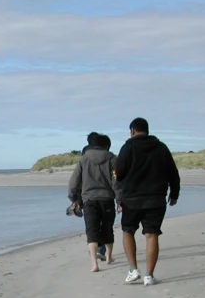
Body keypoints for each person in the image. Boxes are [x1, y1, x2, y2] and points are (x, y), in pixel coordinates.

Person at [113, 117, 180, 286]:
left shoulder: (128, 147)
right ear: (147, 130)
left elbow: (118, 172)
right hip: (156, 198)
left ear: (133, 131)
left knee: (128, 231)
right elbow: (173, 172)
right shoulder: (161, 147)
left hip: (132, 198)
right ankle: (149, 275)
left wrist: (118, 186)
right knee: (152, 234)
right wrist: (174, 194)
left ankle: (133, 270)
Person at [68, 134, 117, 272]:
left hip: (89, 200)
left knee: (91, 230)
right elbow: (116, 181)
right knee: (107, 228)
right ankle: (109, 257)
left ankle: (94, 264)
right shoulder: (112, 158)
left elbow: (74, 181)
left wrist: (73, 197)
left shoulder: (83, 159)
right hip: (107, 199)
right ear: (105, 145)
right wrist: (120, 199)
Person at [81, 132, 108, 261]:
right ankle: (100, 249)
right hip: (105, 195)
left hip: (87, 194)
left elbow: (79, 177)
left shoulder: (85, 154)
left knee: (92, 225)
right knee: (103, 224)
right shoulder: (107, 154)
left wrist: (74, 197)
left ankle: (95, 249)